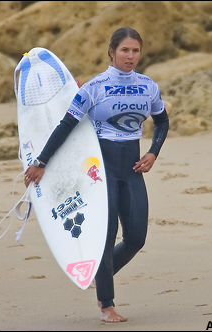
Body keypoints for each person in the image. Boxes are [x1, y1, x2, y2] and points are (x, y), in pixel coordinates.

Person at [24, 27, 169, 323]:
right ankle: (107, 304)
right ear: (111, 52)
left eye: (135, 51)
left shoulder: (148, 87)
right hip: (100, 173)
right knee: (105, 238)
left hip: (131, 169)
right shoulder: (93, 88)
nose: (131, 56)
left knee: (136, 238)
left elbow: (163, 121)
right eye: (125, 50)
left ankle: (99, 275)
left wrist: (153, 152)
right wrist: (41, 161)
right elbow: (65, 126)